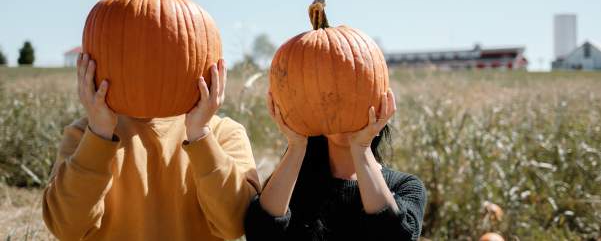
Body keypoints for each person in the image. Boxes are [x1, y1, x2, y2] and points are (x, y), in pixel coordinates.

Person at [43, 53, 260, 241]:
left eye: (167, 53)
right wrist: (99, 134)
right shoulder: (84, 135)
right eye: (127, 51)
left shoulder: (223, 133)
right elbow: (67, 228)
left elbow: (234, 225)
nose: (147, 63)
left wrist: (200, 134)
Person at [245, 89, 426, 241]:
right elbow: (260, 234)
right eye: (334, 101)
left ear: (380, 109)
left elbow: (398, 237)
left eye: (355, 101)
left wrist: (361, 148)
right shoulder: (294, 183)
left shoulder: (406, 186)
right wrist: (297, 145)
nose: (345, 113)